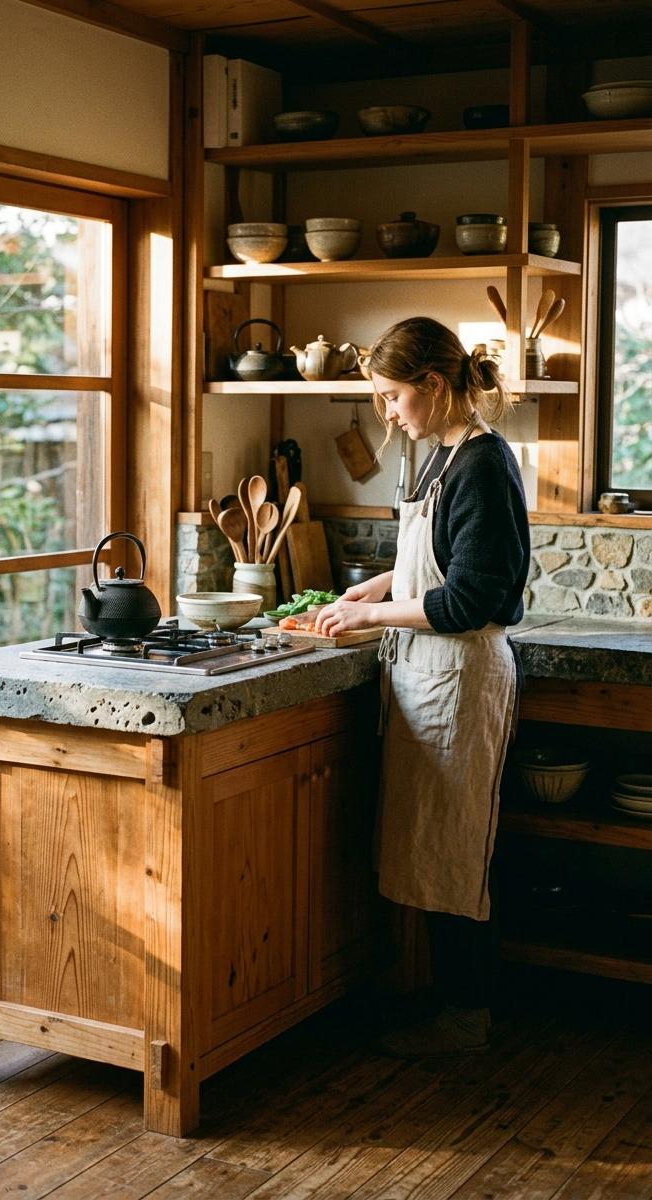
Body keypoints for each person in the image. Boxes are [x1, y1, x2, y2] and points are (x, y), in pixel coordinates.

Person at [315, 316, 530, 1056]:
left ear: (434, 385)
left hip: (461, 678)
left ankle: (467, 1019)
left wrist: (369, 616)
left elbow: (471, 597)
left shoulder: (483, 464)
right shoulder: (444, 454)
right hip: (429, 676)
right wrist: (377, 588)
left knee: (457, 852)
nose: (386, 412)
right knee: (433, 849)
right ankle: (445, 1006)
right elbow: (439, 558)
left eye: (392, 395)